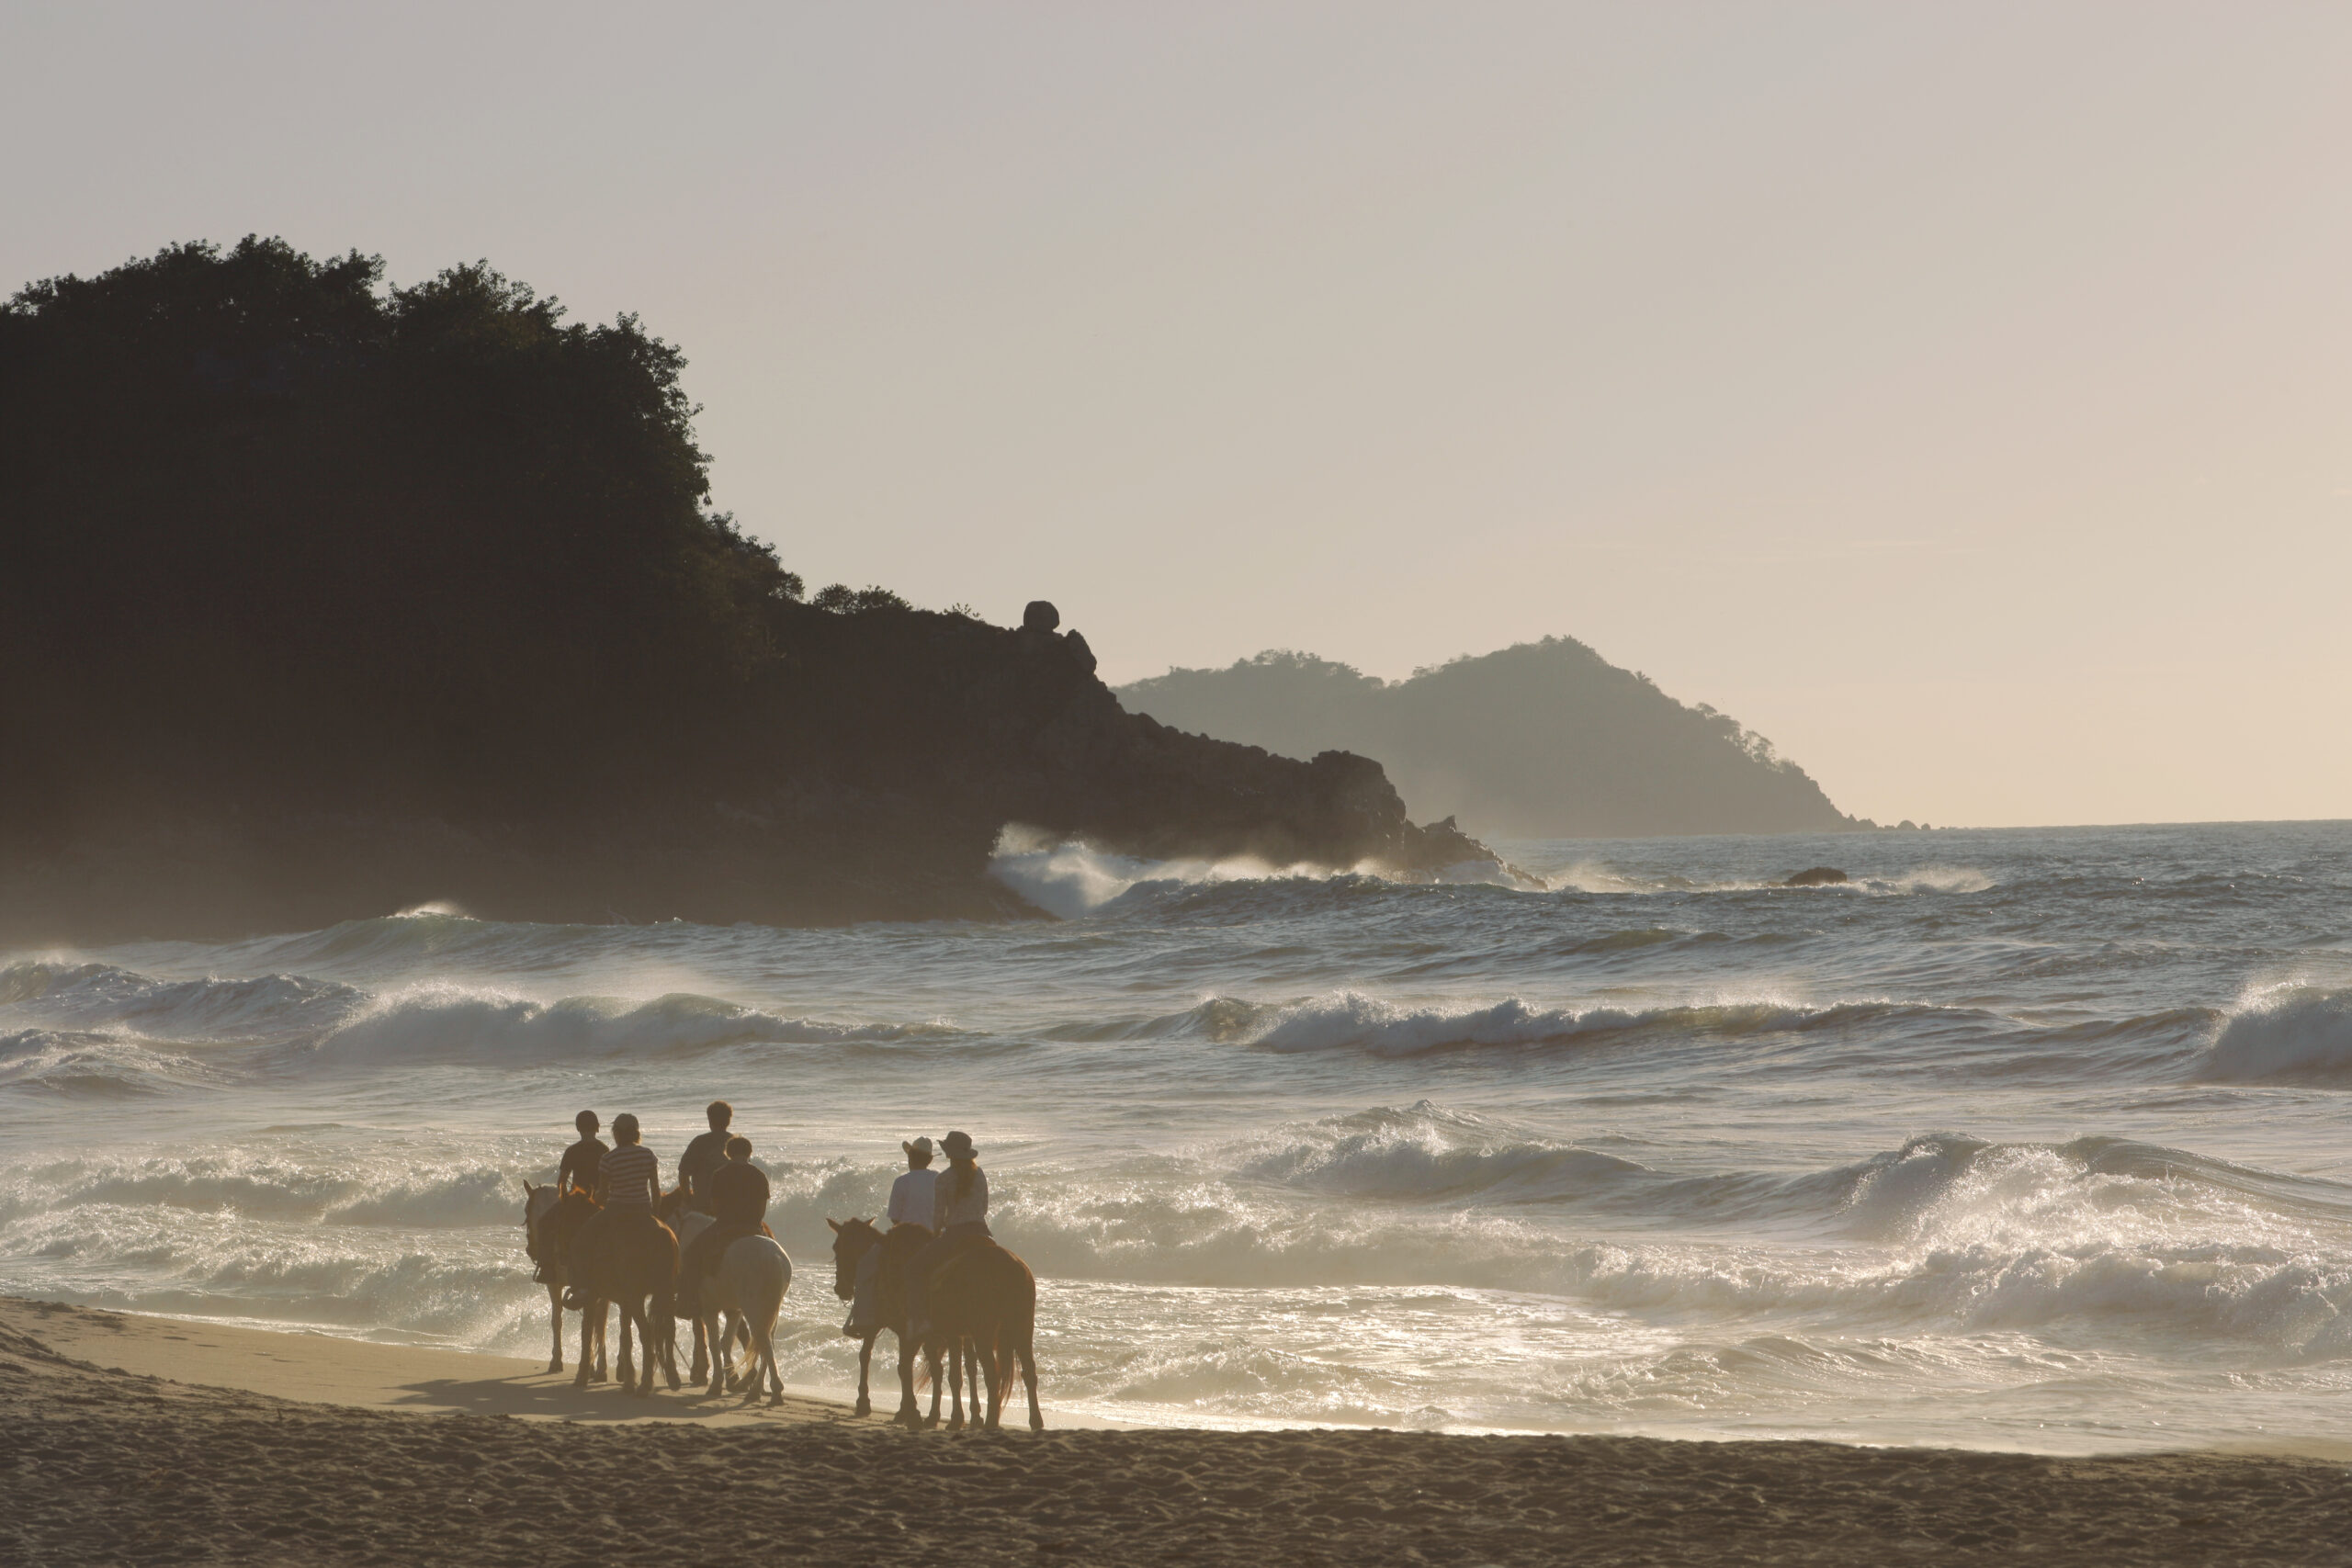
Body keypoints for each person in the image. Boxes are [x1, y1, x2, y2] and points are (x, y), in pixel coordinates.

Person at [562, 1112, 662, 1310]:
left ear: (616, 1133)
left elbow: (603, 1194)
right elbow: (656, 1192)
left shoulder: (609, 1158)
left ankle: (581, 1287)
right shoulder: (647, 1154)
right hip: (643, 1211)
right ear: (636, 1132)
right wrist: (656, 1216)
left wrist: (590, 1200)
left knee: (580, 1241)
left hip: (616, 1211)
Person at [843, 1136, 937, 1336]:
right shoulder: (939, 1179)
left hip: (905, 1241)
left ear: (911, 1157)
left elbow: (895, 1219)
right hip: (935, 1240)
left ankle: (862, 1320)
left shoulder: (902, 1182)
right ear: (929, 1161)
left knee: (865, 1266)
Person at [904, 1129, 989, 1339]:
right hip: (981, 1232)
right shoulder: (979, 1174)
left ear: (949, 1154)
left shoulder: (943, 1179)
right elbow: (984, 1208)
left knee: (914, 1268)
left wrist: (934, 1235)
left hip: (955, 1235)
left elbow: (939, 1216)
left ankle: (920, 1320)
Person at [677, 1136, 771, 1315]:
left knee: (691, 1254)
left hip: (725, 1226)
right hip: (753, 1227)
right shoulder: (759, 1175)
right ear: (749, 1153)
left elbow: (716, 1207)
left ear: (727, 1153)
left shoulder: (720, 1173)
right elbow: (761, 1209)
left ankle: (688, 1302)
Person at [677, 1100, 736, 1215]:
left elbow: (683, 1174)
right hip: (732, 1206)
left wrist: (688, 1198)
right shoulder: (736, 1142)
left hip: (703, 1206)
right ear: (729, 1120)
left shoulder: (699, 1142)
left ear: (710, 1120)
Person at [557, 1111, 606, 1196]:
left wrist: (566, 1200)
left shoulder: (571, 1151)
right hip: (599, 1201)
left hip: (578, 1200)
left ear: (577, 1128)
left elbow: (561, 1183)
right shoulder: (603, 1149)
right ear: (597, 1127)